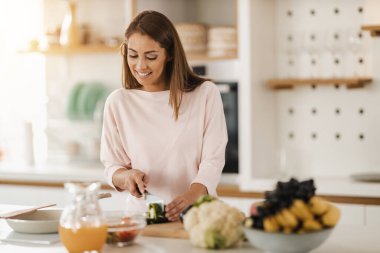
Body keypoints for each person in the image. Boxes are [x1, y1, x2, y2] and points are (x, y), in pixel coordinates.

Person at [100, 10, 227, 221]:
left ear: (169, 54)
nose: (140, 66)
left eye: (150, 57)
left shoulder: (204, 94)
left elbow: (212, 160)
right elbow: (112, 166)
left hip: (199, 217)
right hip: (142, 220)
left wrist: (191, 196)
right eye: (133, 55)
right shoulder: (118, 102)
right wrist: (127, 177)